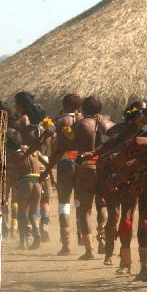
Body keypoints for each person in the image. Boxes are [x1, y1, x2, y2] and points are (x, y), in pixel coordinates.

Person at [73, 96, 115, 260]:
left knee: (85, 210)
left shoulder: (80, 124)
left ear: (84, 109)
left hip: (86, 167)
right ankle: (102, 239)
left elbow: (74, 147)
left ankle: (89, 250)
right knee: (102, 204)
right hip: (104, 167)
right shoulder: (109, 124)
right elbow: (109, 145)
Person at [43, 93, 83, 255]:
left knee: (64, 204)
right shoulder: (85, 121)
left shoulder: (58, 121)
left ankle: (66, 245)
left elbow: (47, 133)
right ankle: (83, 235)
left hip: (65, 164)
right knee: (81, 202)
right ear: (79, 107)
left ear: (63, 105)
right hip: (81, 162)